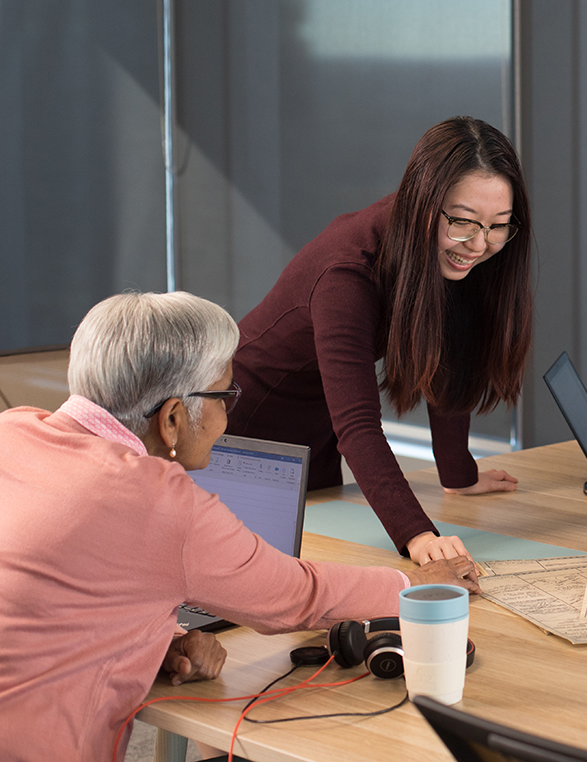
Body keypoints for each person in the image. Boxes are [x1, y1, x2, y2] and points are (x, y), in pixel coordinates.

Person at [0, 292, 480, 762]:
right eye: (224, 395)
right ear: (171, 418)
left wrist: (146, 640)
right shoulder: (158, 502)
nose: (227, 417)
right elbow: (295, 596)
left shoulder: (12, 431)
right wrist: (416, 584)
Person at [228, 117, 532, 564]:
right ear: (424, 202)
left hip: (316, 436)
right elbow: (359, 425)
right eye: (465, 223)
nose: (479, 244)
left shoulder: (437, 244)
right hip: (245, 432)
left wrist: (458, 472)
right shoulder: (348, 273)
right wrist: (420, 537)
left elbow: (447, 349)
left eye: (498, 226)